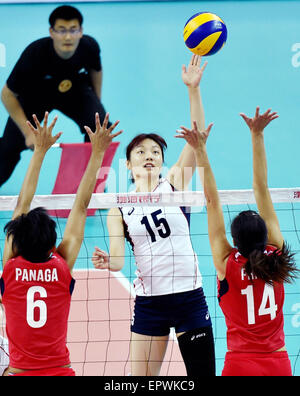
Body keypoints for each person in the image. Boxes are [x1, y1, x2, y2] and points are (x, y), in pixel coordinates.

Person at [92, 55, 216, 376]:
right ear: (128, 166)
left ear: (162, 163)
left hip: (190, 298)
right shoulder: (118, 207)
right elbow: (119, 260)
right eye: (141, 152)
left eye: (155, 152)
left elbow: (198, 135)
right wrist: (108, 261)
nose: (149, 156)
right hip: (150, 305)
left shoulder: (174, 184)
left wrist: (193, 90)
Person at [176, 107, 299, 376]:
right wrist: (257, 135)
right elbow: (261, 188)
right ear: (266, 236)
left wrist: (200, 150)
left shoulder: (226, 264)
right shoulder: (276, 256)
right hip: (278, 363)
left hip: (240, 364)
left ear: (234, 240)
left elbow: (211, 202)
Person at [0, 111, 122, 376]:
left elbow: (21, 204)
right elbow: (80, 206)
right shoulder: (61, 266)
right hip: (60, 371)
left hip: (20, 371)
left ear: (17, 241)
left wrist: (39, 151)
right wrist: (98, 153)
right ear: (52, 244)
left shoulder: (10, 267)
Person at [0, 5, 111, 187]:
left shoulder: (89, 47)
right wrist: (28, 133)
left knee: (99, 127)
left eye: (73, 30)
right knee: (7, 150)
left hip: (74, 91)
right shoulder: (34, 54)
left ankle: (93, 183)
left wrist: (96, 104)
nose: (68, 36)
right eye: (61, 30)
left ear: (81, 31)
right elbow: (7, 95)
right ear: (52, 32)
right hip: (35, 97)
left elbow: (96, 70)